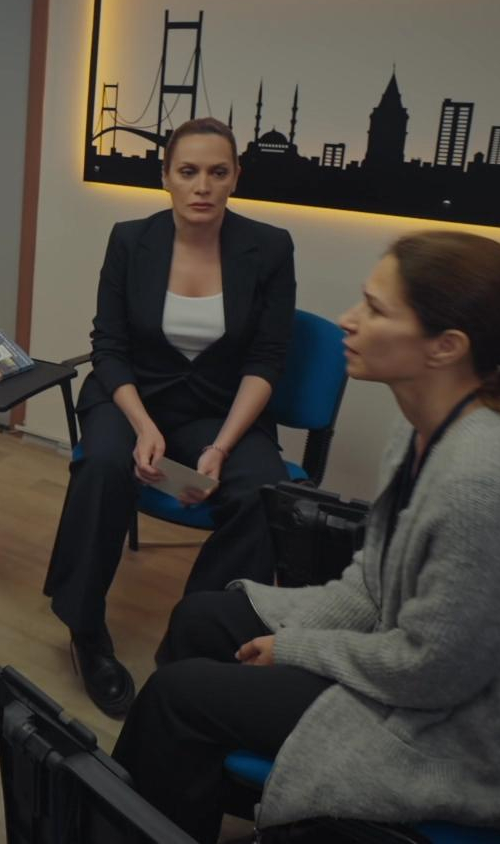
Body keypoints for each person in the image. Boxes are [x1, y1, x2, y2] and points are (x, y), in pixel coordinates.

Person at [112, 230, 500, 843]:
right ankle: (189, 787)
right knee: (201, 619)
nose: (348, 319)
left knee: (178, 699)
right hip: (431, 674)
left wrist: (295, 649)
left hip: (465, 737)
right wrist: (291, 641)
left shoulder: (488, 482)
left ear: (446, 347)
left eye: (374, 308)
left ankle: (163, 789)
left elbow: (432, 671)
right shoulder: (425, 427)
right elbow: (374, 583)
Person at [43, 117, 295, 718]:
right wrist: (144, 425)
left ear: (235, 177)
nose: (202, 186)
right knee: (104, 463)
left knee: (265, 491)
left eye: (217, 172)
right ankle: (85, 629)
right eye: (188, 171)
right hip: (131, 395)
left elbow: (266, 359)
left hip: (217, 408)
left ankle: (194, 638)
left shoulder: (269, 247)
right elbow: (108, 347)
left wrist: (221, 447)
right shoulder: (132, 240)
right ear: (166, 178)